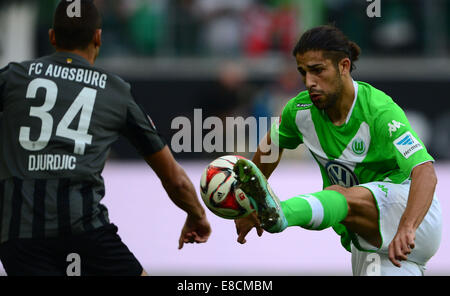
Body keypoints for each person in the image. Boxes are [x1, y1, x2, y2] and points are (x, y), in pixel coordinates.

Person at [0, 0, 211, 276]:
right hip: (84, 230)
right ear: (98, 36)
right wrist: (197, 215)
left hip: (18, 236)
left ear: (52, 36)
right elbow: (173, 177)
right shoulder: (115, 92)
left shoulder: (13, 77)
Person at [233, 25, 442, 276]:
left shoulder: (379, 111)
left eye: (318, 70)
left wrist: (408, 227)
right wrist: (249, 203)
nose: (310, 82)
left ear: (343, 66)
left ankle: (280, 214)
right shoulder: (298, 112)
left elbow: (425, 171)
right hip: (370, 242)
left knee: (338, 193)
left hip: (412, 217)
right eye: (303, 72)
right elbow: (270, 148)